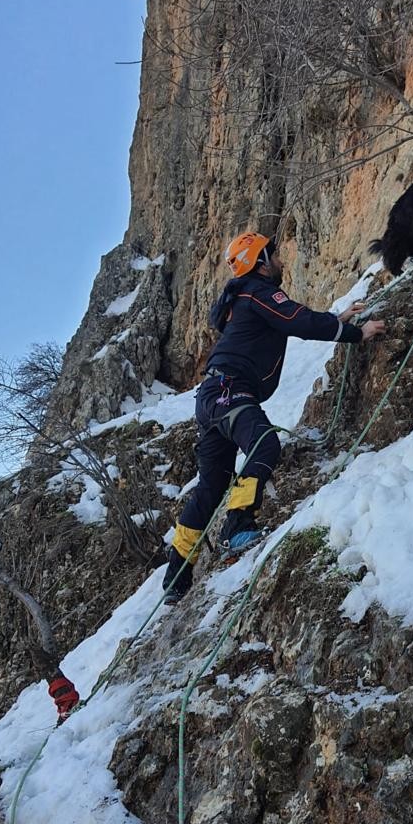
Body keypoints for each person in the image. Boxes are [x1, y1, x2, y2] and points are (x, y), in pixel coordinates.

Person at [161, 231, 387, 604]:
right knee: (263, 443)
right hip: (231, 390)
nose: (280, 260)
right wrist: (355, 333)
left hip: (213, 396)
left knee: (211, 486)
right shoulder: (257, 292)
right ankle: (237, 525)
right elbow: (297, 319)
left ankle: (176, 577)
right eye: (274, 255)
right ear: (261, 262)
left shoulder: (243, 300)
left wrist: (335, 319)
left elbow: (290, 322)